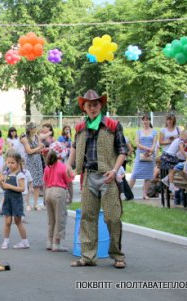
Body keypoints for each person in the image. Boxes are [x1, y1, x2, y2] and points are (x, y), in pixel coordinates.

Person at [67, 89, 128, 269]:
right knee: (87, 216)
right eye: (88, 105)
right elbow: (74, 147)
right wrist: (69, 166)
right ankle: (88, 256)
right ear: (84, 107)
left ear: (101, 105)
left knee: (113, 217)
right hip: (88, 176)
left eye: (95, 104)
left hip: (108, 177)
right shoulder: (80, 127)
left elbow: (123, 151)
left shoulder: (113, 124)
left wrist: (114, 170)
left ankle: (118, 255)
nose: (92, 108)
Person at [43, 148, 74, 252]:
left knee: (51, 220)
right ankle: (57, 243)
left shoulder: (47, 168)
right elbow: (69, 184)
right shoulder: (64, 167)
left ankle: (49, 242)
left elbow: (45, 183)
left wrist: (44, 197)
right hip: (59, 192)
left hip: (48, 192)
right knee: (60, 218)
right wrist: (71, 196)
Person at [0, 150, 29, 250]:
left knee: (17, 221)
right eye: (8, 162)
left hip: (16, 200)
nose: (10, 165)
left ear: (18, 163)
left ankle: (25, 241)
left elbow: (22, 188)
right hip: (8, 200)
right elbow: (4, 188)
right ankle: (6, 241)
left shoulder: (20, 175)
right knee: (7, 222)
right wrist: (0, 183)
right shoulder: (6, 174)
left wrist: (8, 186)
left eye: (13, 162)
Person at [129, 114, 158, 200]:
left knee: (148, 176)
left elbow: (154, 143)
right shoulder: (138, 131)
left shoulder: (154, 131)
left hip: (150, 155)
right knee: (134, 175)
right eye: (144, 120)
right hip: (140, 155)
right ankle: (128, 193)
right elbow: (137, 143)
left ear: (149, 121)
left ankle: (145, 194)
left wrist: (150, 151)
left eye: (147, 120)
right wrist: (147, 149)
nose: (145, 121)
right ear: (142, 121)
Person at [20, 122, 44, 210]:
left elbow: (40, 149)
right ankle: (27, 204)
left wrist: (39, 149)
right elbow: (29, 151)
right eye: (34, 127)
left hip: (37, 161)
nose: (36, 128)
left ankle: (36, 203)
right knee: (28, 182)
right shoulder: (25, 138)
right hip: (29, 162)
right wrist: (39, 148)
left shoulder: (37, 137)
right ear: (30, 129)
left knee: (37, 183)